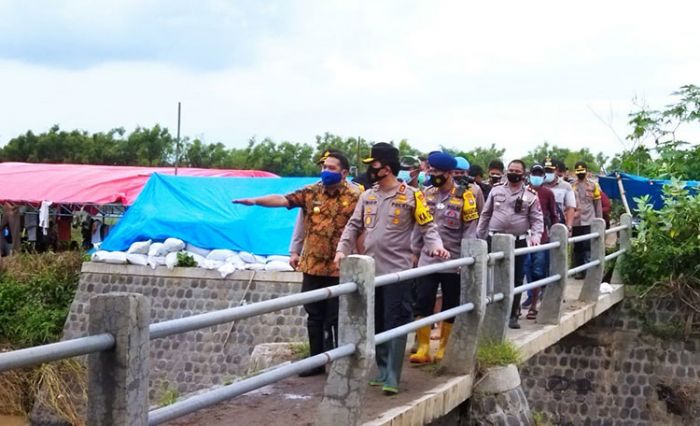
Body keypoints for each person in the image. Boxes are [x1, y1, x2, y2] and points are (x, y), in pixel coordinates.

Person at [335, 142, 449, 395]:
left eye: (373, 165)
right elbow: (353, 226)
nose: (371, 170)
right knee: (376, 322)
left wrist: (436, 246)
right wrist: (341, 249)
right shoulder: (368, 195)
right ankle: (383, 368)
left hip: (397, 271)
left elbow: (427, 226)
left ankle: (393, 376)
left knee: (395, 321)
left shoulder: (411, 195)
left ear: (386, 168)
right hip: (371, 271)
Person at [234, 150, 361, 377]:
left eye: (331, 168)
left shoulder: (356, 196)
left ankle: (338, 360)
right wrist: (255, 201)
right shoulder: (311, 192)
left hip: (339, 267)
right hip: (312, 265)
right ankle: (316, 361)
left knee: (336, 317)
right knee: (314, 315)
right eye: (323, 168)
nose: (325, 172)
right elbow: (283, 200)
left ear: (344, 172)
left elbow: (362, 229)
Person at [409, 152, 483, 364]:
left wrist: (466, 259)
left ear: (449, 173)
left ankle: (443, 346)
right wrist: (414, 251)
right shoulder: (426, 194)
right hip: (427, 259)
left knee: (451, 303)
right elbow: (418, 225)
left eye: (437, 172)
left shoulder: (464, 196)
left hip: (454, 261)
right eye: (430, 171)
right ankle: (423, 347)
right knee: (423, 301)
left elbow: (470, 230)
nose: (433, 175)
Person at [477, 159, 544, 329]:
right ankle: (489, 313)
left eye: (517, 170)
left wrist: (536, 236)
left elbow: (537, 219)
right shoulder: (496, 190)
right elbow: (486, 214)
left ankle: (513, 313)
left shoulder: (530, 195)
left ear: (523, 173)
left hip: (518, 241)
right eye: (511, 170)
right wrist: (480, 236)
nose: (513, 173)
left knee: (516, 277)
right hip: (495, 238)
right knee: (490, 276)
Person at [523, 164, 559, 320]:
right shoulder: (522, 192)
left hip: (542, 238)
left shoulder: (548, 193)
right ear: (530, 175)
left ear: (543, 177)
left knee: (538, 270)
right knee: (525, 270)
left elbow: (554, 214)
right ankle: (527, 299)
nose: (536, 176)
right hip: (524, 237)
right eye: (534, 173)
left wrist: (556, 233)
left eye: (539, 174)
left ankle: (533, 306)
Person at [571, 161, 603, 279]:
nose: (580, 174)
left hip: (590, 219)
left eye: (582, 172)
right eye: (578, 172)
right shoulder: (572, 186)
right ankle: (579, 271)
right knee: (578, 246)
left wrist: (599, 221)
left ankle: (589, 271)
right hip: (576, 221)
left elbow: (597, 204)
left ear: (586, 171)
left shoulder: (593, 185)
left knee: (588, 245)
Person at [543, 158, 576, 235]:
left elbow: (571, 207)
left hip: (558, 226)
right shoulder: (538, 185)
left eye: (550, 171)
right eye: (546, 170)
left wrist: (568, 227)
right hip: (541, 228)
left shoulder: (566, 186)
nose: (548, 173)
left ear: (556, 170)